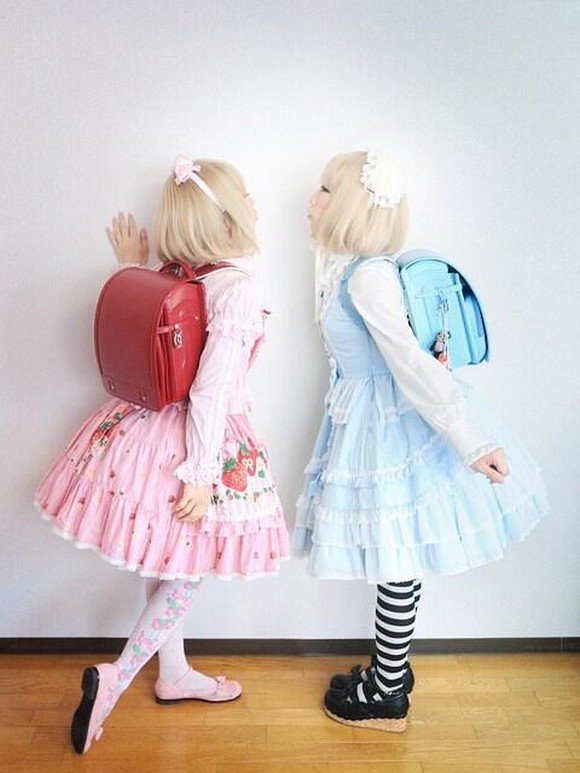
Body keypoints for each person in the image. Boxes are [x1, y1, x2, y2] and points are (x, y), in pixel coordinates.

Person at [35, 155, 290, 754]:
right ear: (223, 219)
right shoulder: (237, 289)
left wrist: (130, 269)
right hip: (196, 441)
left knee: (166, 559)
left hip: (143, 430)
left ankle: (173, 674)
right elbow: (210, 390)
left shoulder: (175, 273)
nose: (255, 205)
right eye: (246, 196)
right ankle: (117, 677)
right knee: (186, 571)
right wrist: (201, 472)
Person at [293, 149, 548, 733]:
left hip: (390, 427)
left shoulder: (369, 277)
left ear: (352, 205)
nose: (312, 199)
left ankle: (387, 693)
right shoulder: (352, 268)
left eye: (325, 190)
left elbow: (409, 362)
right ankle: (390, 673)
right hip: (372, 420)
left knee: (398, 557)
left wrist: (470, 440)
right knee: (397, 554)